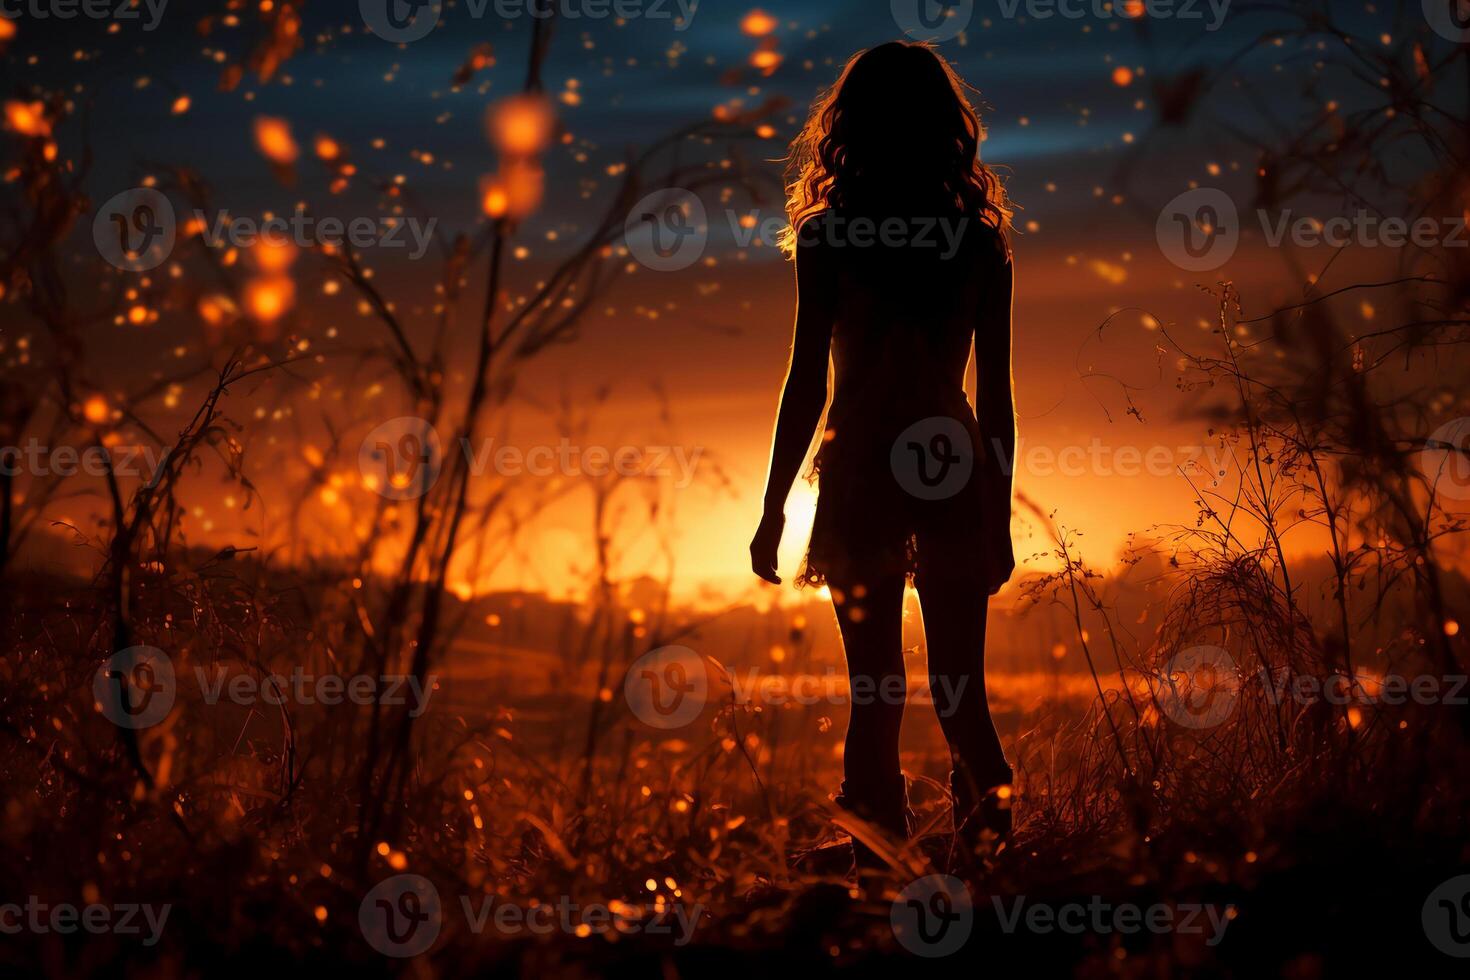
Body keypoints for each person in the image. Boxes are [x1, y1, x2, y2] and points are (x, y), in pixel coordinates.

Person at [749, 41, 1017, 866]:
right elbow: (997, 399)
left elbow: (806, 383)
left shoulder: (830, 238)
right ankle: (989, 855)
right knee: (958, 686)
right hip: (952, 464)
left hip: (863, 467)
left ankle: (875, 851)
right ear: (947, 128)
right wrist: (998, 518)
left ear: (850, 127)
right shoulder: (976, 243)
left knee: (876, 688)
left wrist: (772, 509)